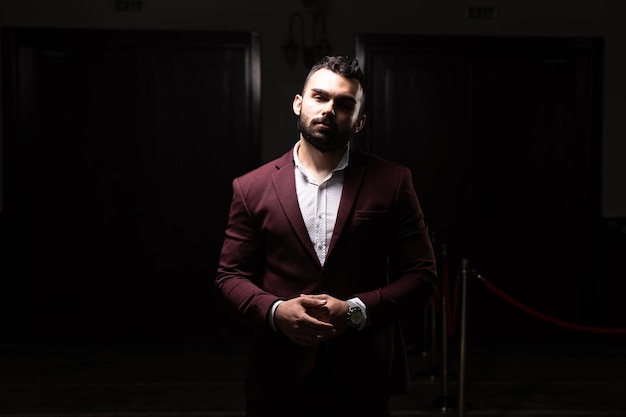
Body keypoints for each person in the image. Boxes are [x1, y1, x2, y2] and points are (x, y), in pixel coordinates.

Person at [215, 55, 437, 417]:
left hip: (363, 375)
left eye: (344, 103)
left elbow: (422, 278)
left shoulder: (393, 181)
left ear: (359, 121)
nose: (329, 109)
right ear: (298, 103)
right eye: (320, 97)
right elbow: (229, 278)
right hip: (278, 374)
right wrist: (276, 312)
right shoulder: (250, 187)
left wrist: (354, 311)